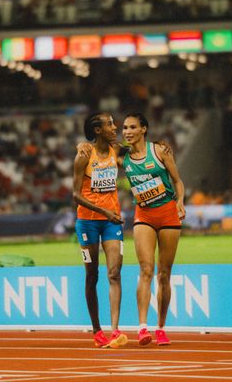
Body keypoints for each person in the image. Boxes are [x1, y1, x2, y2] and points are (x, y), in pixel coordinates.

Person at [121, 112, 185, 346]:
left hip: (168, 214)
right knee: (146, 269)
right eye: (124, 128)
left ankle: (161, 327)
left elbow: (177, 180)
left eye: (132, 127)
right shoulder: (122, 156)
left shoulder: (159, 151)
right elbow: (100, 149)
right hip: (144, 215)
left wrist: (180, 201)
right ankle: (142, 328)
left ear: (143, 129)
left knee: (164, 274)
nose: (127, 131)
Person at [73, 112, 128, 349]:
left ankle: (115, 331)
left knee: (114, 273)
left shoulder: (117, 150)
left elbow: (138, 146)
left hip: (111, 223)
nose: (115, 127)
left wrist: (162, 147)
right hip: (88, 223)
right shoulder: (84, 156)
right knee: (92, 275)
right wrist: (103, 211)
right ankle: (97, 330)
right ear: (97, 130)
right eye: (110, 124)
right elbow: (75, 195)